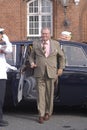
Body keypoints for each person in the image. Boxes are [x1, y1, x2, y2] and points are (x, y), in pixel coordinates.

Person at [29, 27, 65, 124]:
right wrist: (32, 63)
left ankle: (48, 113)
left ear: (50, 34)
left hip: (51, 72)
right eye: (43, 33)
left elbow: (61, 57)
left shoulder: (56, 44)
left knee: (49, 94)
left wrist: (61, 68)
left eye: (46, 34)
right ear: (41, 34)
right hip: (39, 72)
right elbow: (31, 56)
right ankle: (41, 114)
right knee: (40, 95)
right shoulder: (36, 43)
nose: (44, 35)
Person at [0, 27, 12, 127]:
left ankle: (0, 118)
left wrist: (10, 67)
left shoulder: (1, 46)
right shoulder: (1, 47)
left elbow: (3, 61)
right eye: (1, 34)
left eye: (1, 34)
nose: (1, 36)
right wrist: (7, 40)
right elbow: (9, 49)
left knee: (1, 99)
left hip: (2, 76)